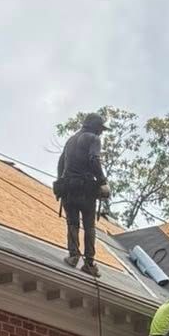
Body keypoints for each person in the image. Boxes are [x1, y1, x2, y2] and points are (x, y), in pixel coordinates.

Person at [55, 112, 110, 277]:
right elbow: (94, 159)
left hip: (68, 188)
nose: (101, 132)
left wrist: (61, 180)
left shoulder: (70, 140)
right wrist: (102, 181)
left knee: (72, 223)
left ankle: (73, 256)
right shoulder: (93, 139)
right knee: (89, 226)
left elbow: (61, 162)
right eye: (100, 129)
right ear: (94, 127)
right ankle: (89, 262)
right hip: (85, 189)